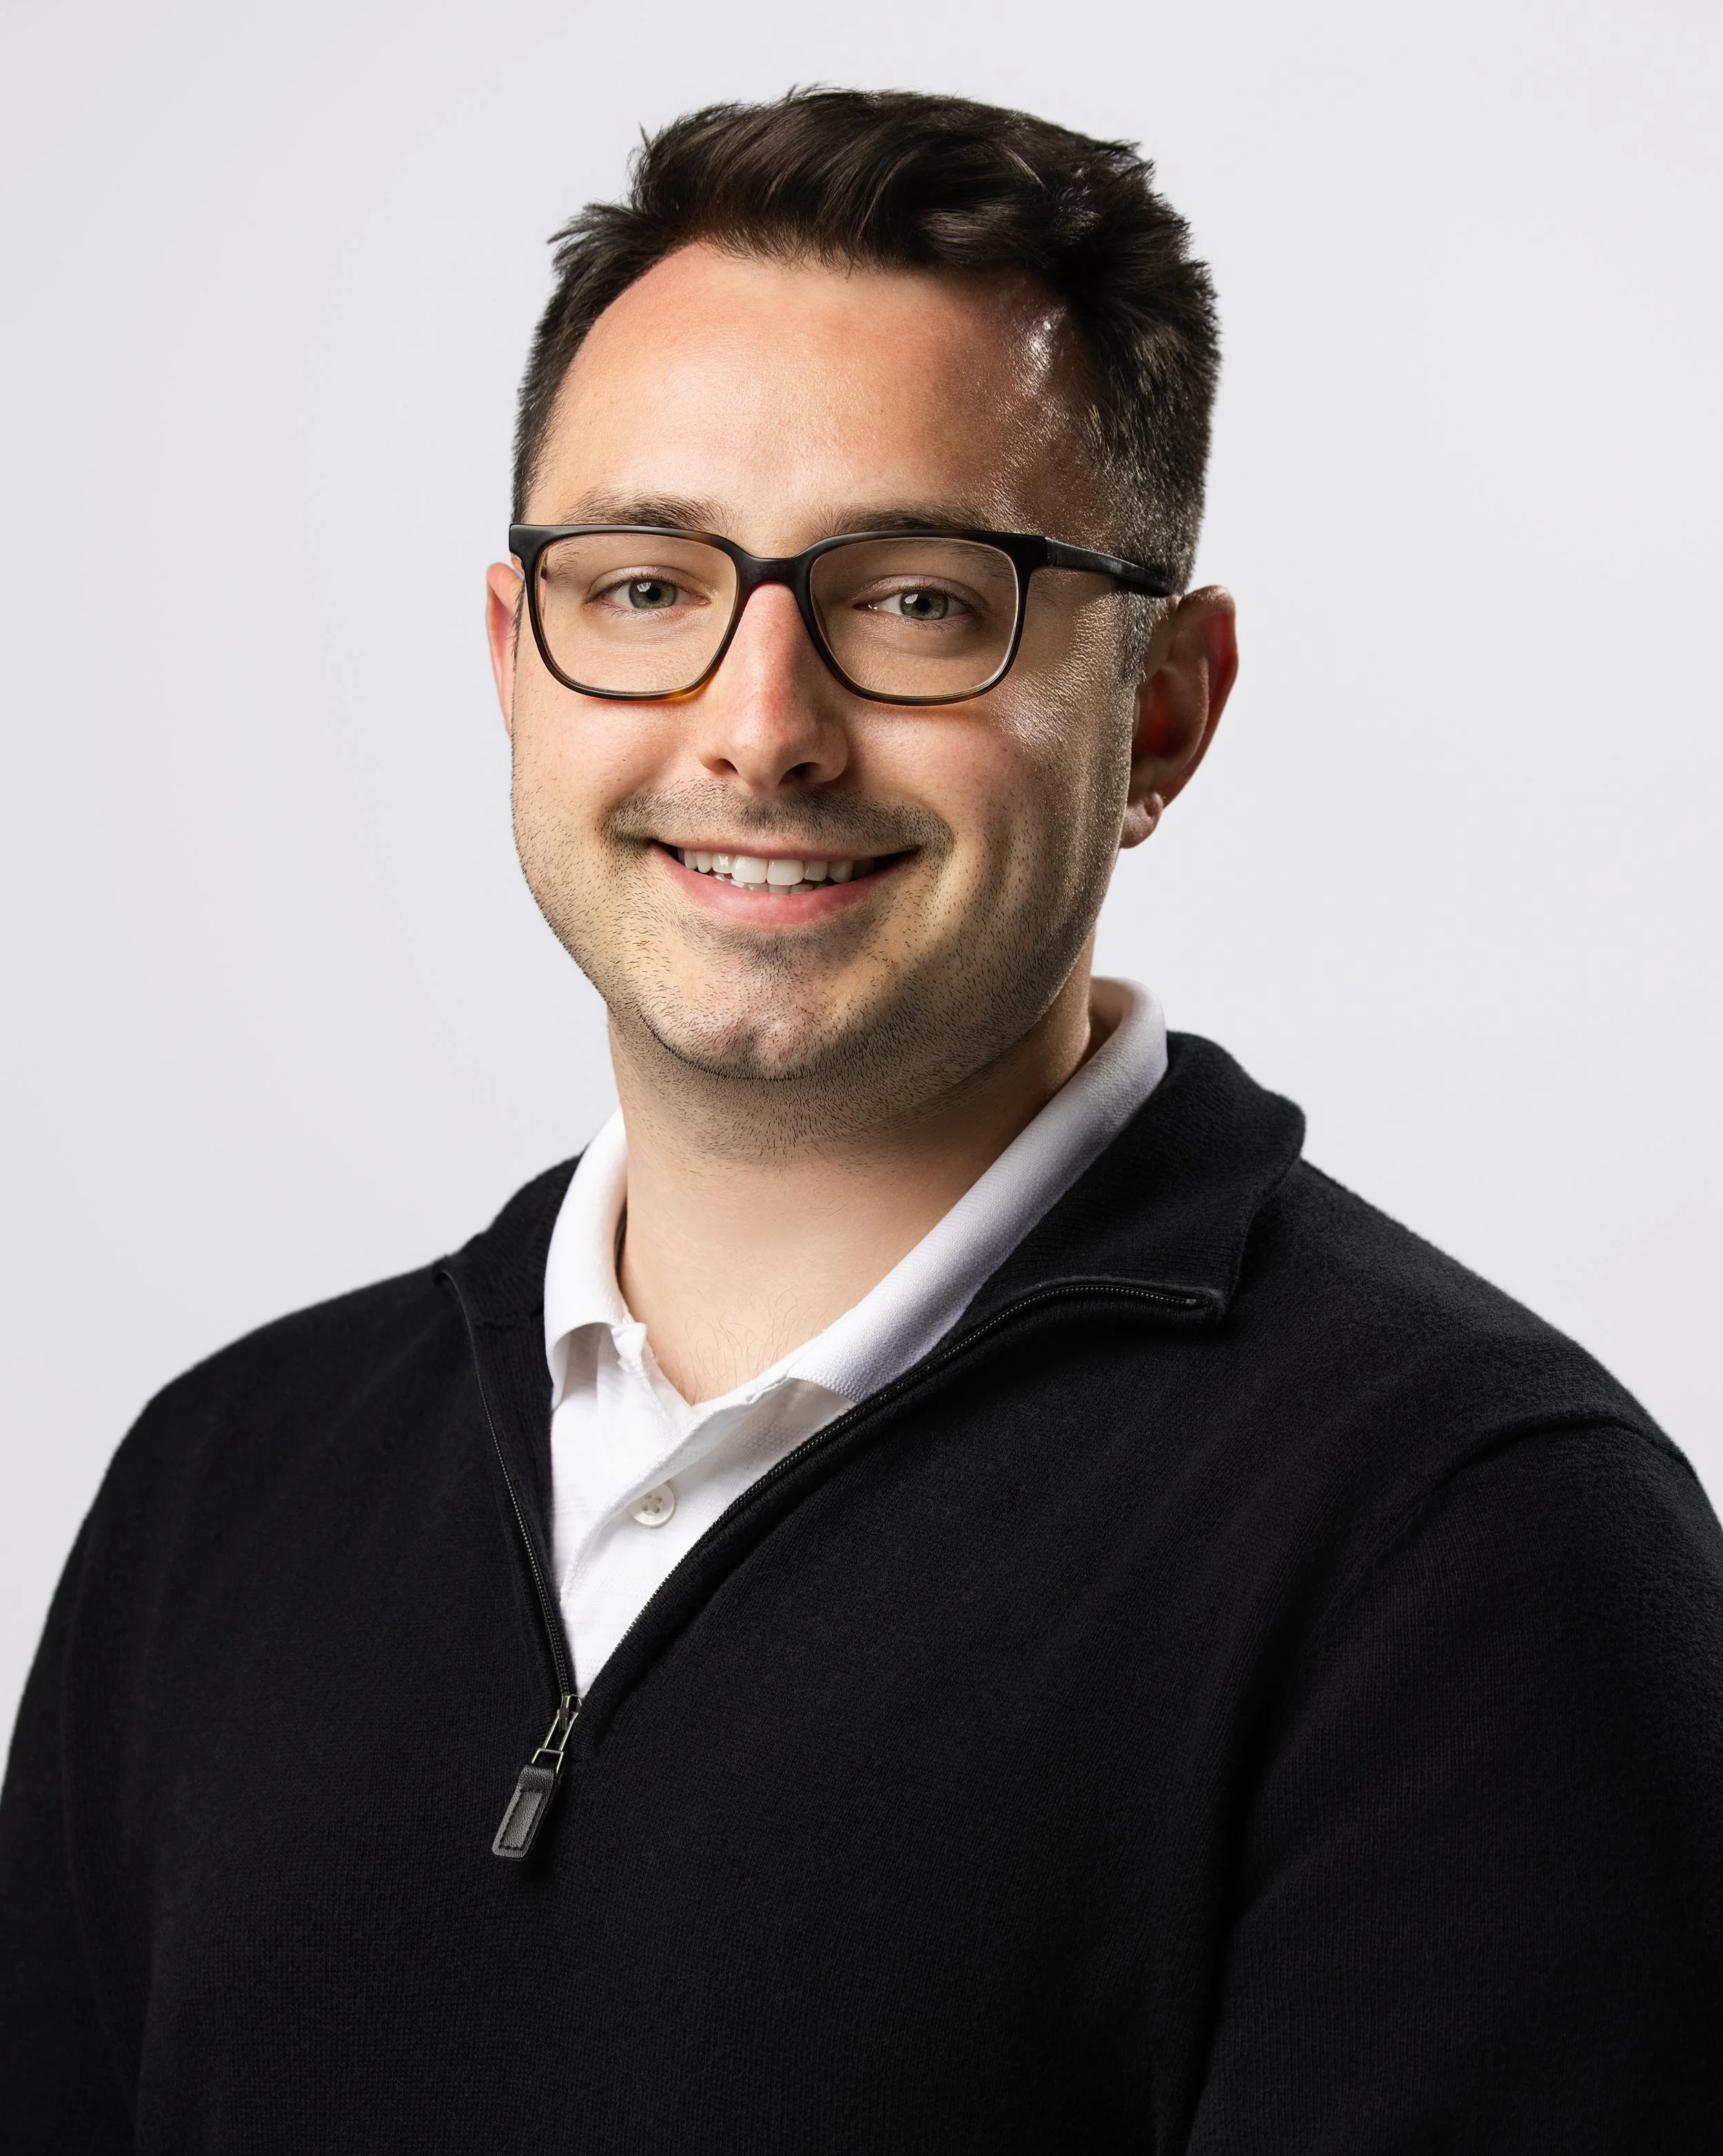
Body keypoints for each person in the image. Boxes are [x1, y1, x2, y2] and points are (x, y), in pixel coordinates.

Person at [3, 86, 1720, 2154]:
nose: (758, 727)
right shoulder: (225, 1488)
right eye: (644, 586)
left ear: (1159, 708)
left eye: (917, 598)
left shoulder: (1468, 1559)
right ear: (514, 659)